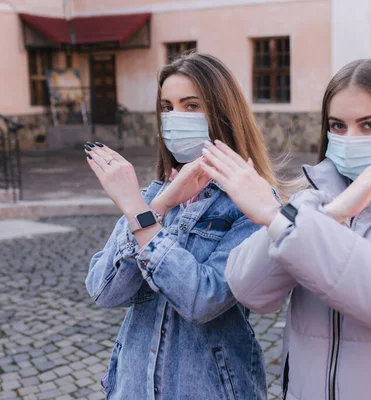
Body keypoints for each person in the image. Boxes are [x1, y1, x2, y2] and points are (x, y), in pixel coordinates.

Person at [200, 58, 371, 400]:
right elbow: (250, 290)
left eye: (369, 125)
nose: (350, 138)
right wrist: (331, 213)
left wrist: (278, 219)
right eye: (338, 126)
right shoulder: (310, 203)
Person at [84, 53, 274, 400]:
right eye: (167, 107)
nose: (174, 118)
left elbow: (203, 299)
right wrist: (157, 206)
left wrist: (139, 216)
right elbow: (104, 290)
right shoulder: (154, 198)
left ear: (222, 114)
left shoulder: (252, 204)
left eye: (190, 106)